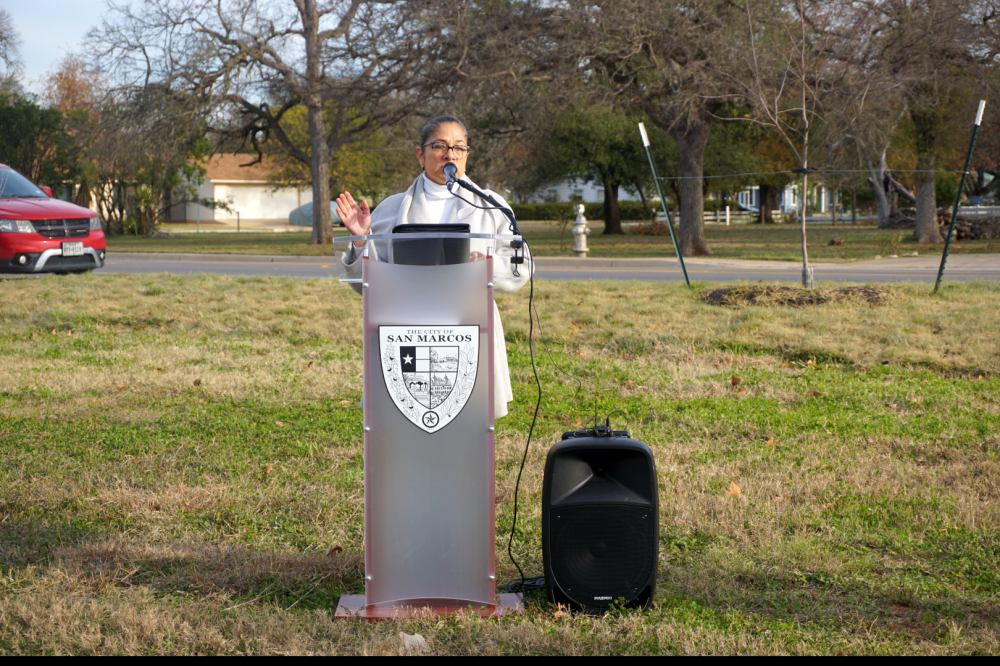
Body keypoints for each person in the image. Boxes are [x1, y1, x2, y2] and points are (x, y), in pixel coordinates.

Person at [336, 116, 531, 418]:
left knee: (469, 424)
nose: (449, 155)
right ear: (420, 154)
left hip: (470, 326)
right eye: (439, 146)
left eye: (458, 148)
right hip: (407, 329)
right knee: (409, 418)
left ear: (466, 154)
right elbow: (367, 284)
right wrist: (362, 240)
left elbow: (520, 266)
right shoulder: (389, 209)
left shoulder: (492, 206)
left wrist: (485, 269)